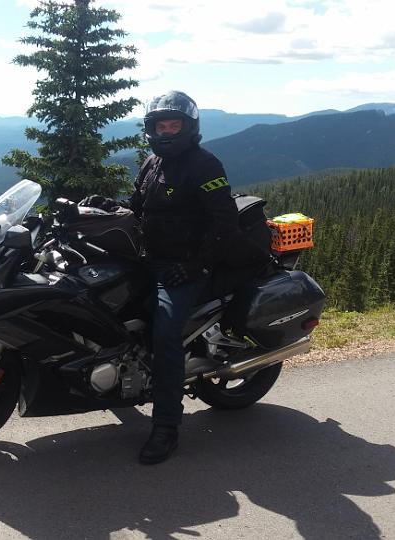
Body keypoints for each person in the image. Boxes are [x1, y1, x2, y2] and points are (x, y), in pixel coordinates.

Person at [130, 90, 241, 464]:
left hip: (183, 267)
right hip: (148, 259)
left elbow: (224, 223)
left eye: (173, 125)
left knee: (165, 334)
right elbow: (135, 207)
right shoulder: (152, 163)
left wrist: (195, 266)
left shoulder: (205, 165)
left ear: (188, 127)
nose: (166, 131)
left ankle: (166, 427)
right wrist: (99, 210)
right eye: (160, 125)